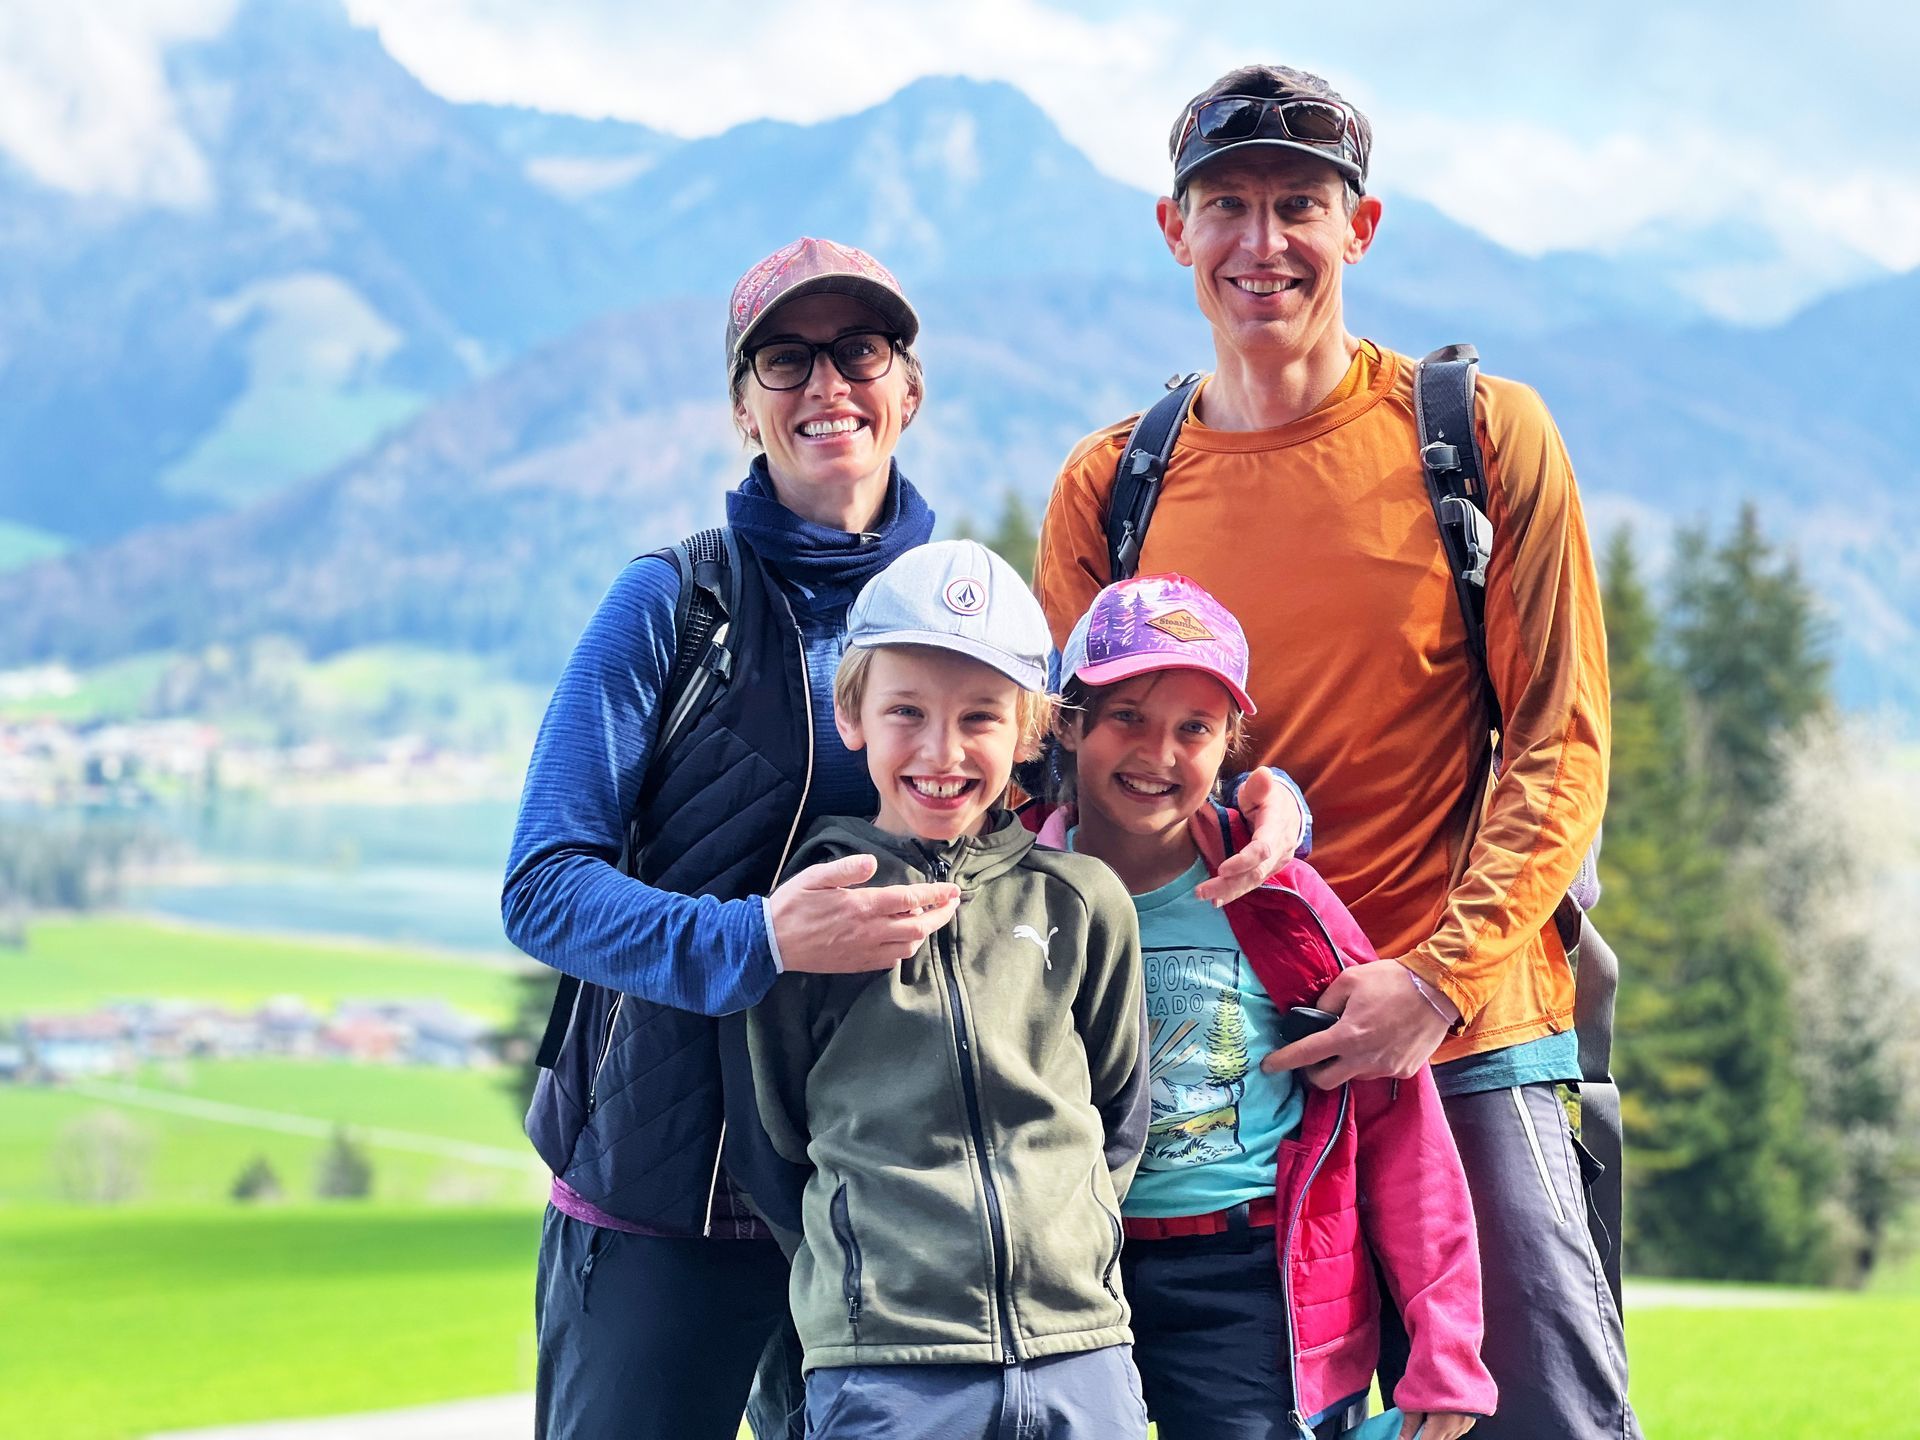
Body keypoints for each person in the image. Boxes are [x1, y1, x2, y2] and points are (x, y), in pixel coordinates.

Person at [504, 236, 1304, 1440]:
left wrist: (1256, 793)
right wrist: (759, 937)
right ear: (743, 406)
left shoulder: (980, 628)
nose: (827, 384)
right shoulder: (676, 605)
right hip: (668, 1196)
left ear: (908, 389)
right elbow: (545, 889)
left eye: (860, 351)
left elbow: (1112, 771)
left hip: (906, 1252)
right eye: (785, 359)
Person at [1033, 67, 1632, 1440]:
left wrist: (1429, 983)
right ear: (1172, 232)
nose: (1263, 243)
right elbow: (1061, 779)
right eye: (1226, 207)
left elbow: (1561, 744)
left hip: (1463, 1036)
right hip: (1205, 1075)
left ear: (1358, 228)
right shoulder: (1111, 483)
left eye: (1298, 206)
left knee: (1537, 1416)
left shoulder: (1476, 440)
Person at [1038, 573, 1493, 1440]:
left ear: (1229, 745)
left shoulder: (1280, 902)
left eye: (1194, 729)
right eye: (1127, 716)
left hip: (1245, 1278)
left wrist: (1448, 1346)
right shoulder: (1017, 891)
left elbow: (1398, 1122)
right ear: (1070, 723)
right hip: (1065, 1272)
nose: (1158, 754)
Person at [747, 539, 1151, 1440]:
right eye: (906, 712)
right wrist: (865, 1273)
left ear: (1030, 731)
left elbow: (1120, 1116)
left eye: (980, 717)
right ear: (851, 713)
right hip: (886, 1362)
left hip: (1079, 1348)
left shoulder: (1082, 901)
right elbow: (776, 1138)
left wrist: (1065, 1233)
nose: (943, 750)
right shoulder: (812, 906)